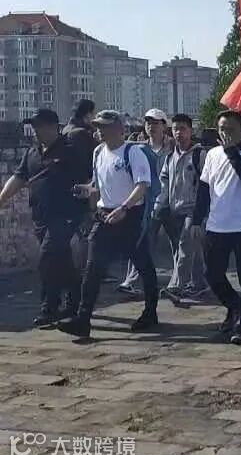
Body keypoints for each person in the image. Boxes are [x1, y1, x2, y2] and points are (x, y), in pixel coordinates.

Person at [57, 110, 159, 338]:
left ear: (119, 129)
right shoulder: (98, 152)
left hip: (130, 215)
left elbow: (142, 185)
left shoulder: (133, 153)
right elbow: (98, 184)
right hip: (105, 215)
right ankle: (83, 318)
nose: (100, 131)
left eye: (105, 126)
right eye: (98, 126)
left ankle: (150, 311)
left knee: (143, 265)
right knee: (92, 267)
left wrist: (124, 208)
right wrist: (86, 190)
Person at [0, 109, 88, 327]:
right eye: (34, 126)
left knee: (47, 258)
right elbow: (19, 177)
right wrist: (2, 198)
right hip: (41, 215)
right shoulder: (32, 153)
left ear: (53, 127)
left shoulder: (69, 150)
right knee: (62, 261)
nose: (36, 131)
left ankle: (49, 307)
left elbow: (90, 176)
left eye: (40, 126)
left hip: (66, 214)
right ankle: (76, 298)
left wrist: (89, 201)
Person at [191, 110, 241, 345]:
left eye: (230, 129)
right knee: (212, 273)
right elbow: (204, 188)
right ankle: (235, 306)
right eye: (222, 129)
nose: (225, 134)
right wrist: (196, 220)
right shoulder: (212, 154)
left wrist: (232, 151)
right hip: (217, 224)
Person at [117, 108, 174, 296]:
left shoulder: (173, 147)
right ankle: (130, 281)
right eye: (148, 123)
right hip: (148, 203)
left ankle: (185, 282)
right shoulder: (138, 149)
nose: (151, 126)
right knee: (141, 241)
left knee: (180, 243)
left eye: (156, 123)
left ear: (164, 126)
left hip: (171, 202)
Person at [154, 114, 207, 301]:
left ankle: (176, 286)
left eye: (183, 129)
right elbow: (164, 184)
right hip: (174, 211)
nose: (179, 133)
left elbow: (207, 185)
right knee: (191, 249)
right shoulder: (170, 157)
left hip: (193, 211)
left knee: (185, 246)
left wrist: (201, 214)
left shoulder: (199, 155)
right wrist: (159, 207)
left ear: (191, 131)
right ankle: (200, 283)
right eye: (175, 129)